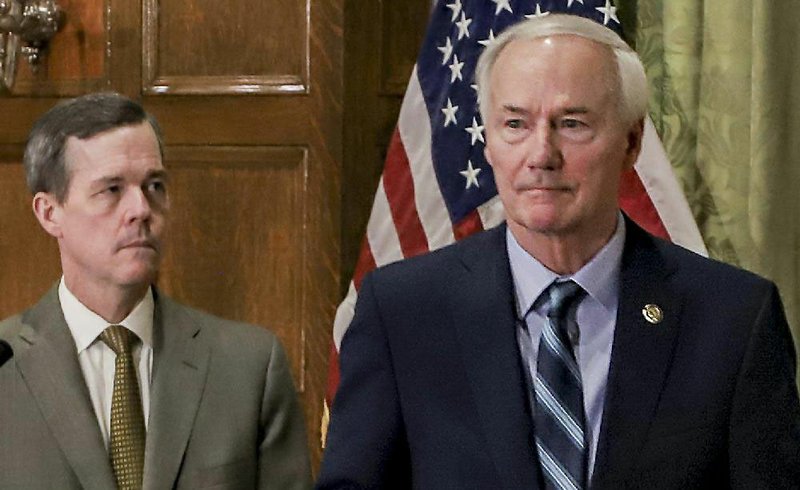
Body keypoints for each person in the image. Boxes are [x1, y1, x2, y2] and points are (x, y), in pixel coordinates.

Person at [317, 14, 800, 489]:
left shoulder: (732, 319)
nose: (541, 154)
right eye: (515, 124)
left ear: (630, 143)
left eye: (571, 124)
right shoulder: (402, 312)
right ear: (488, 142)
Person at [0, 93, 312, 489]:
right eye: (112, 189)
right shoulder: (6, 366)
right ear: (50, 213)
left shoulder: (248, 367)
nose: (141, 209)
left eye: (154, 186)